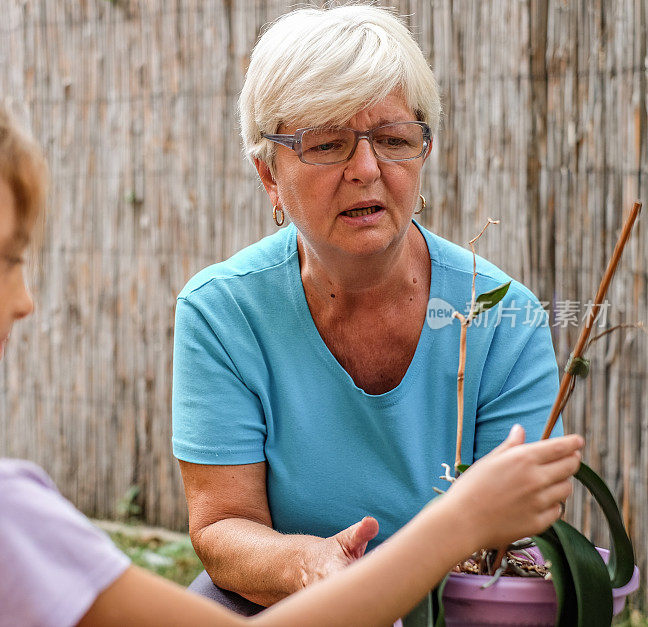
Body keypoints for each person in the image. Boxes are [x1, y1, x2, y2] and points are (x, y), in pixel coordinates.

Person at [0, 56, 582, 627]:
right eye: (9, 257)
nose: (26, 298)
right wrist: (459, 520)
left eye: (392, 139)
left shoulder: (502, 310)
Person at [171, 4, 564, 613]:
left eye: (393, 140)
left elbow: (519, 535)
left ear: (422, 152)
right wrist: (307, 563)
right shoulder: (223, 312)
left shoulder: (503, 317)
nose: (366, 169)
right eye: (326, 144)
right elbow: (223, 529)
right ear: (267, 174)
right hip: (285, 604)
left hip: (462, 605)